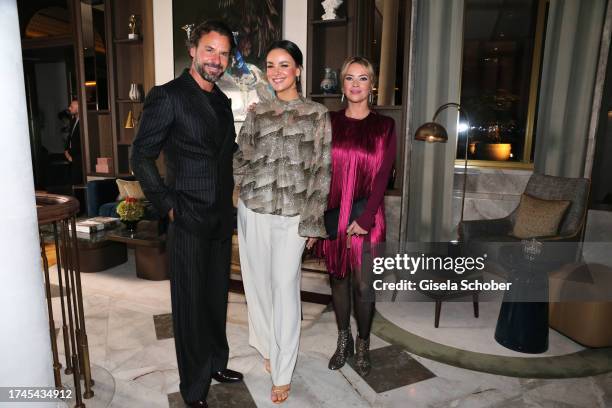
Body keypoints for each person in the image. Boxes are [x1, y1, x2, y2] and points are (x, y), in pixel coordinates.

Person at [130, 20, 243, 408]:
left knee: (216, 300)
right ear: (193, 50)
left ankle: (215, 363)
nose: (217, 59)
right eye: (210, 50)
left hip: (219, 218)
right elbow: (140, 155)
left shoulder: (223, 102)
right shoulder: (168, 96)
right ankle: (193, 389)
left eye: (224, 53)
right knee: (190, 307)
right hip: (188, 218)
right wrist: (167, 205)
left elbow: (226, 157)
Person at [233, 40, 331, 403]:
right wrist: (238, 192)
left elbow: (322, 171)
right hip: (254, 209)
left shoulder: (316, 114)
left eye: (284, 65)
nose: (276, 71)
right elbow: (241, 155)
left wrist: (312, 222)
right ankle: (269, 349)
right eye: (271, 65)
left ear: (298, 71)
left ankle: (284, 369)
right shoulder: (258, 113)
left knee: (284, 289)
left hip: (293, 217)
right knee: (257, 287)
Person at [317, 56, 397, 377]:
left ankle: (363, 343)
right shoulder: (329, 122)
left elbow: (383, 177)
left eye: (363, 78)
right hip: (335, 214)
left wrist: (364, 219)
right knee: (338, 280)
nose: (355, 84)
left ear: (372, 85)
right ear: (342, 84)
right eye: (349, 78)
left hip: (368, 217)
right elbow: (319, 171)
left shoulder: (385, 126)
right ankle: (343, 340)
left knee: (364, 286)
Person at [63, 97, 83, 185]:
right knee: (72, 183)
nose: (69, 108)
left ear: (78, 108)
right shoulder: (73, 120)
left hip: (79, 159)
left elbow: (82, 142)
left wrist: (73, 158)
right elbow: (70, 137)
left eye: (71, 106)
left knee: (78, 183)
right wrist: (66, 150)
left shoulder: (83, 122)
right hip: (72, 157)